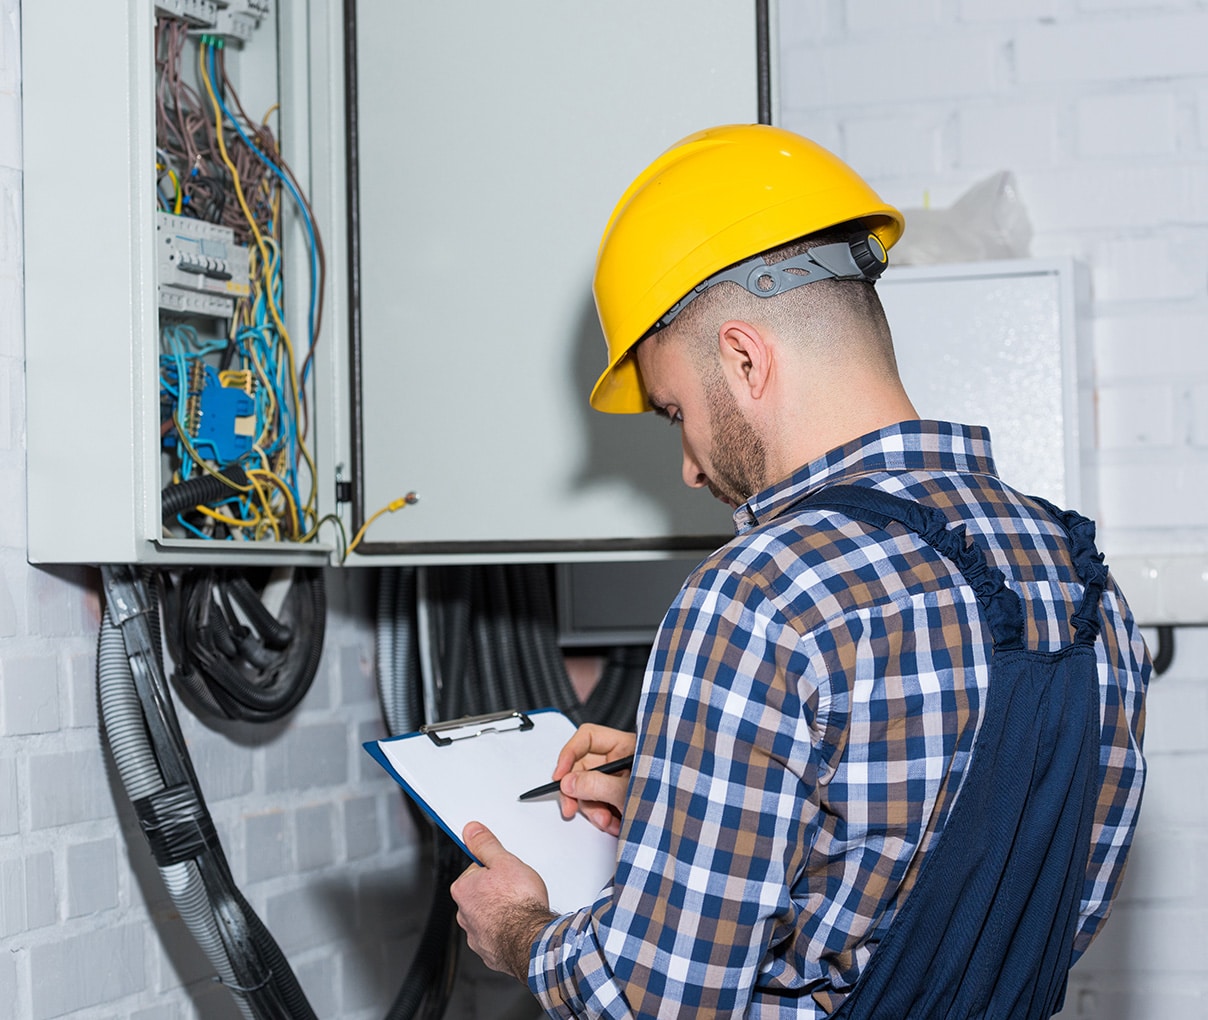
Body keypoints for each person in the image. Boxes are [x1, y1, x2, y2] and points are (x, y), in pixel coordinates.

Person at [450, 124, 1150, 1018]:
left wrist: (520, 929)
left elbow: (655, 1002)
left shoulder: (760, 596)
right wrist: (693, 797)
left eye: (674, 413)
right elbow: (1022, 901)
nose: (690, 469)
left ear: (743, 358)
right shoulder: (1081, 582)